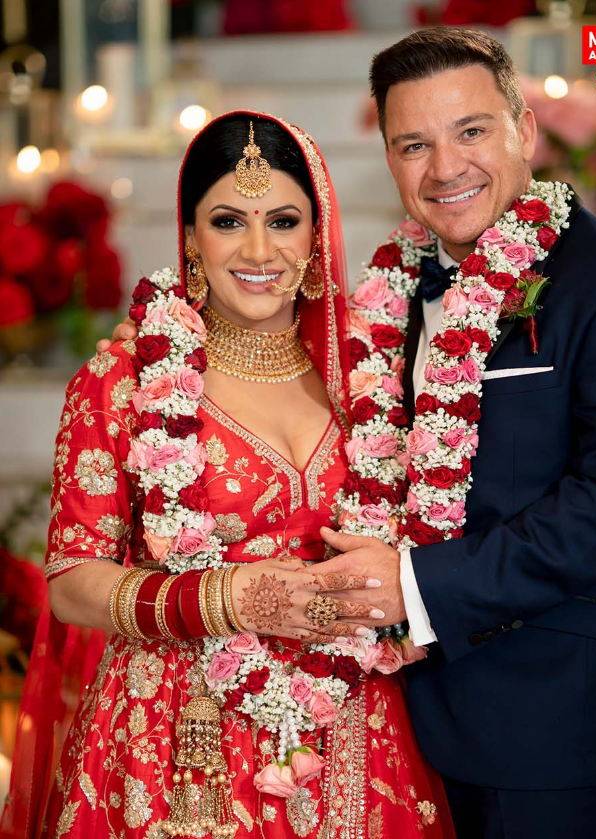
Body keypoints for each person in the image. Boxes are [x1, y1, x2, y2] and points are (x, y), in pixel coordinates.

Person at [0, 112, 454, 839]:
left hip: (352, 723)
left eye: (282, 220)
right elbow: (71, 583)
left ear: (316, 235)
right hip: (180, 734)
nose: (257, 249)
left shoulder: (365, 375)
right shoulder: (123, 380)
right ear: (188, 237)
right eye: (226, 220)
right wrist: (221, 598)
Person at [310, 27, 596, 839]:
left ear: (523, 131)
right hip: (387, 724)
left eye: (470, 131)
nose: (444, 168)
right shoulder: (386, 296)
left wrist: (412, 587)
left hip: (546, 727)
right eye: (413, 143)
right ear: (388, 159)